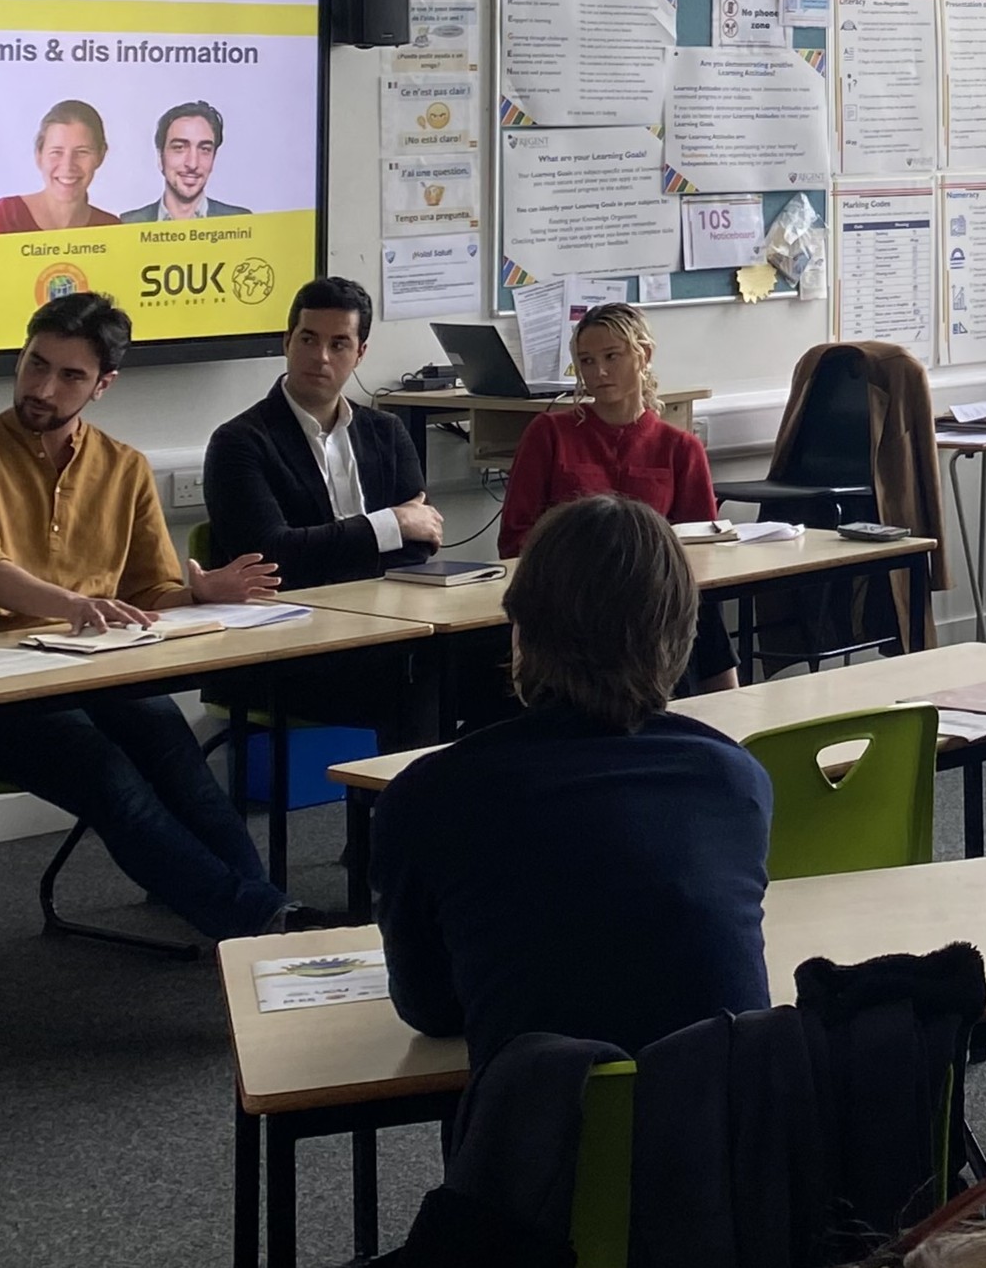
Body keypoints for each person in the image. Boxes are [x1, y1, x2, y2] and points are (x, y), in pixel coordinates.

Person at [0, 292, 291, 940]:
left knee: (177, 757)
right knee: (104, 769)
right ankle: (258, 918)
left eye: (69, 375)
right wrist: (74, 605)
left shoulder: (123, 466)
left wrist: (200, 593)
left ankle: (261, 908)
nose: (42, 388)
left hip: (89, 674)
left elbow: (147, 594)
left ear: (102, 385)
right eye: (35, 364)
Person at [375, 494, 770, 1071]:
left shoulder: (429, 796)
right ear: (684, 636)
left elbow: (430, 1007)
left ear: (521, 630)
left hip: (541, 1123)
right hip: (723, 1119)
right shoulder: (736, 780)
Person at [497, 301, 735, 691]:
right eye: (587, 361)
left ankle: (722, 709)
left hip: (651, 603)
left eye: (612, 356)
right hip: (570, 601)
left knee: (702, 616)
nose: (599, 372)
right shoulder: (549, 434)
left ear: (644, 355)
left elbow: (701, 548)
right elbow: (514, 538)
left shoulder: (679, 447)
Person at [203, 276, 446, 586]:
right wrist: (392, 524)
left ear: (360, 354)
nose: (321, 357)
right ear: (287, 342)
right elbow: (268, 559)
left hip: (389, 606)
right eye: (308, 340)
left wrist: (318, 549)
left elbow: (421, 541)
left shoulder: (387, 432)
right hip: (292, 610)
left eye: (338, 344)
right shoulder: (239, 441)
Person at [0, 100, 118, 234]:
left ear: (101, 155)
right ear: (39, 156)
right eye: (56, 152)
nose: (68, 165)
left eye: (82, 152)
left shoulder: (112, 229)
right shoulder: (7, 216)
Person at [120, 101, 250, 223]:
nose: (192, 164)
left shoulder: (240, 222)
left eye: (204, 149)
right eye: (179, 148)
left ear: (214, 157)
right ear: (160, 157)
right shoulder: (126, 224)